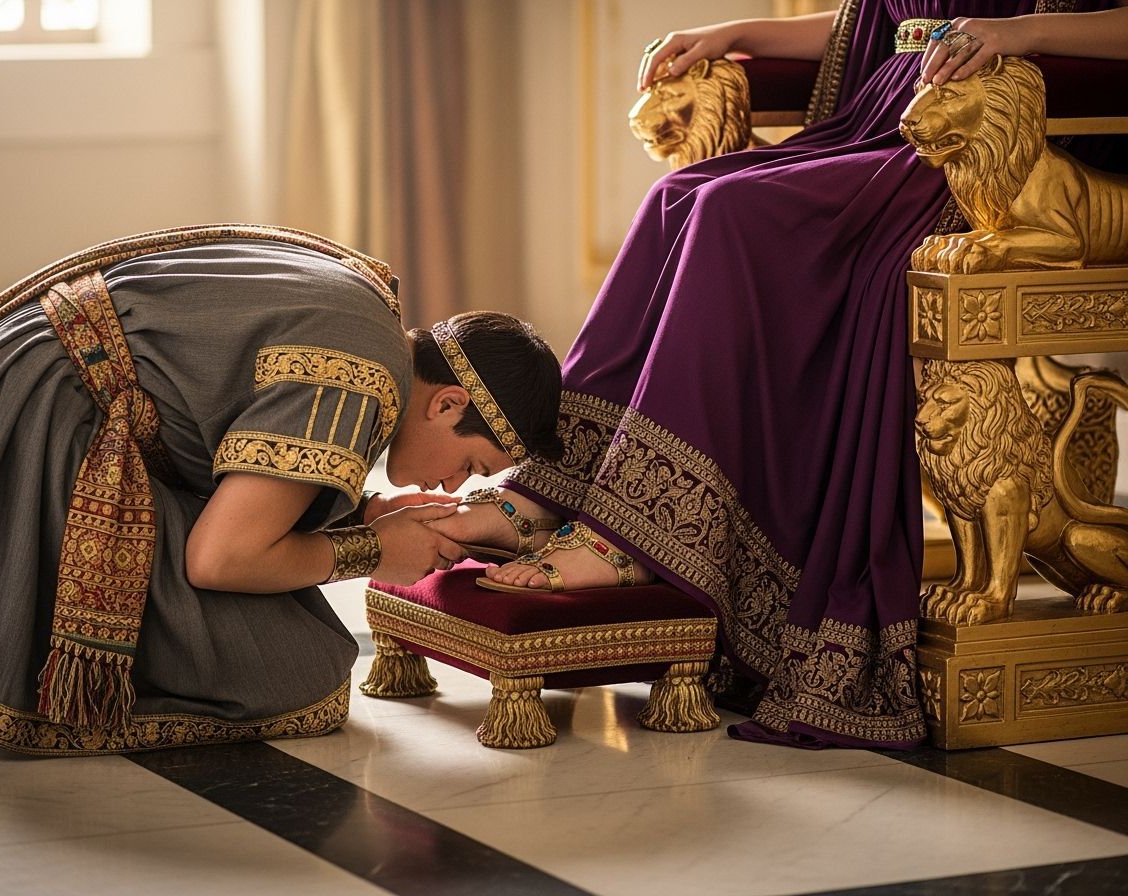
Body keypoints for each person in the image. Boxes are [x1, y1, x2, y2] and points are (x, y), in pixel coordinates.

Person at [429, 1, 1128, 748]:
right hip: (889, 113)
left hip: (984, 139)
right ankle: (559, 489)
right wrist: (739, 34)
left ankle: (635, 536)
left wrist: (1022, 34)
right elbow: (885, 17)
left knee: (731, 212)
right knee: (680, 195)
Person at [0, 227, 562, 753]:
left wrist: (367, 514)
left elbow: (211, 438)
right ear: (445, 406)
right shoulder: (359, 377)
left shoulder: (369, 304)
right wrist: (372, 551)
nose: (455, 484)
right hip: (31, 444)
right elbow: (220, 560)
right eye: (472, 463)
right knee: (302, 678)